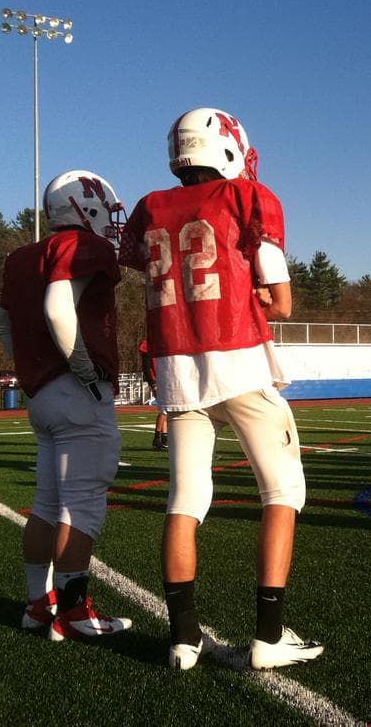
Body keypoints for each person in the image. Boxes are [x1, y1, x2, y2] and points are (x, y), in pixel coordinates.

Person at [118, 107, 323, 671]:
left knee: (184, 501)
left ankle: (183, 639)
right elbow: (280, 299)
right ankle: (268, 635)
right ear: (228, 147)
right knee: (283, 494)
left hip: (176, 369)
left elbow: (154, 264)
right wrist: (261, 297)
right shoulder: (246, 196)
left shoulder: (150, 207)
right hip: (237, 361)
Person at [0, 169, 132, 641]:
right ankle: (73, 614)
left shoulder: (19, 258)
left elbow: (2, 326)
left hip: (42, 397)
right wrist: (82, 366)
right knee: (84, 503)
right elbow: (59, 307)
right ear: (83, 206)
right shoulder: (82, 246)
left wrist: (35, 371)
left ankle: (39, 605)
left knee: (47, 504)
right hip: (77, 391)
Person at [139, 338, 168, 450]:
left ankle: (164, 439)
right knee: (165, 410)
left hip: (164, 379)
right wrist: (153, 383)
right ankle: (157, 438)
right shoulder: (148, 344)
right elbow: (146, 366)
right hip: (157, 380)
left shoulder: (161, 342)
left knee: (166, 411)